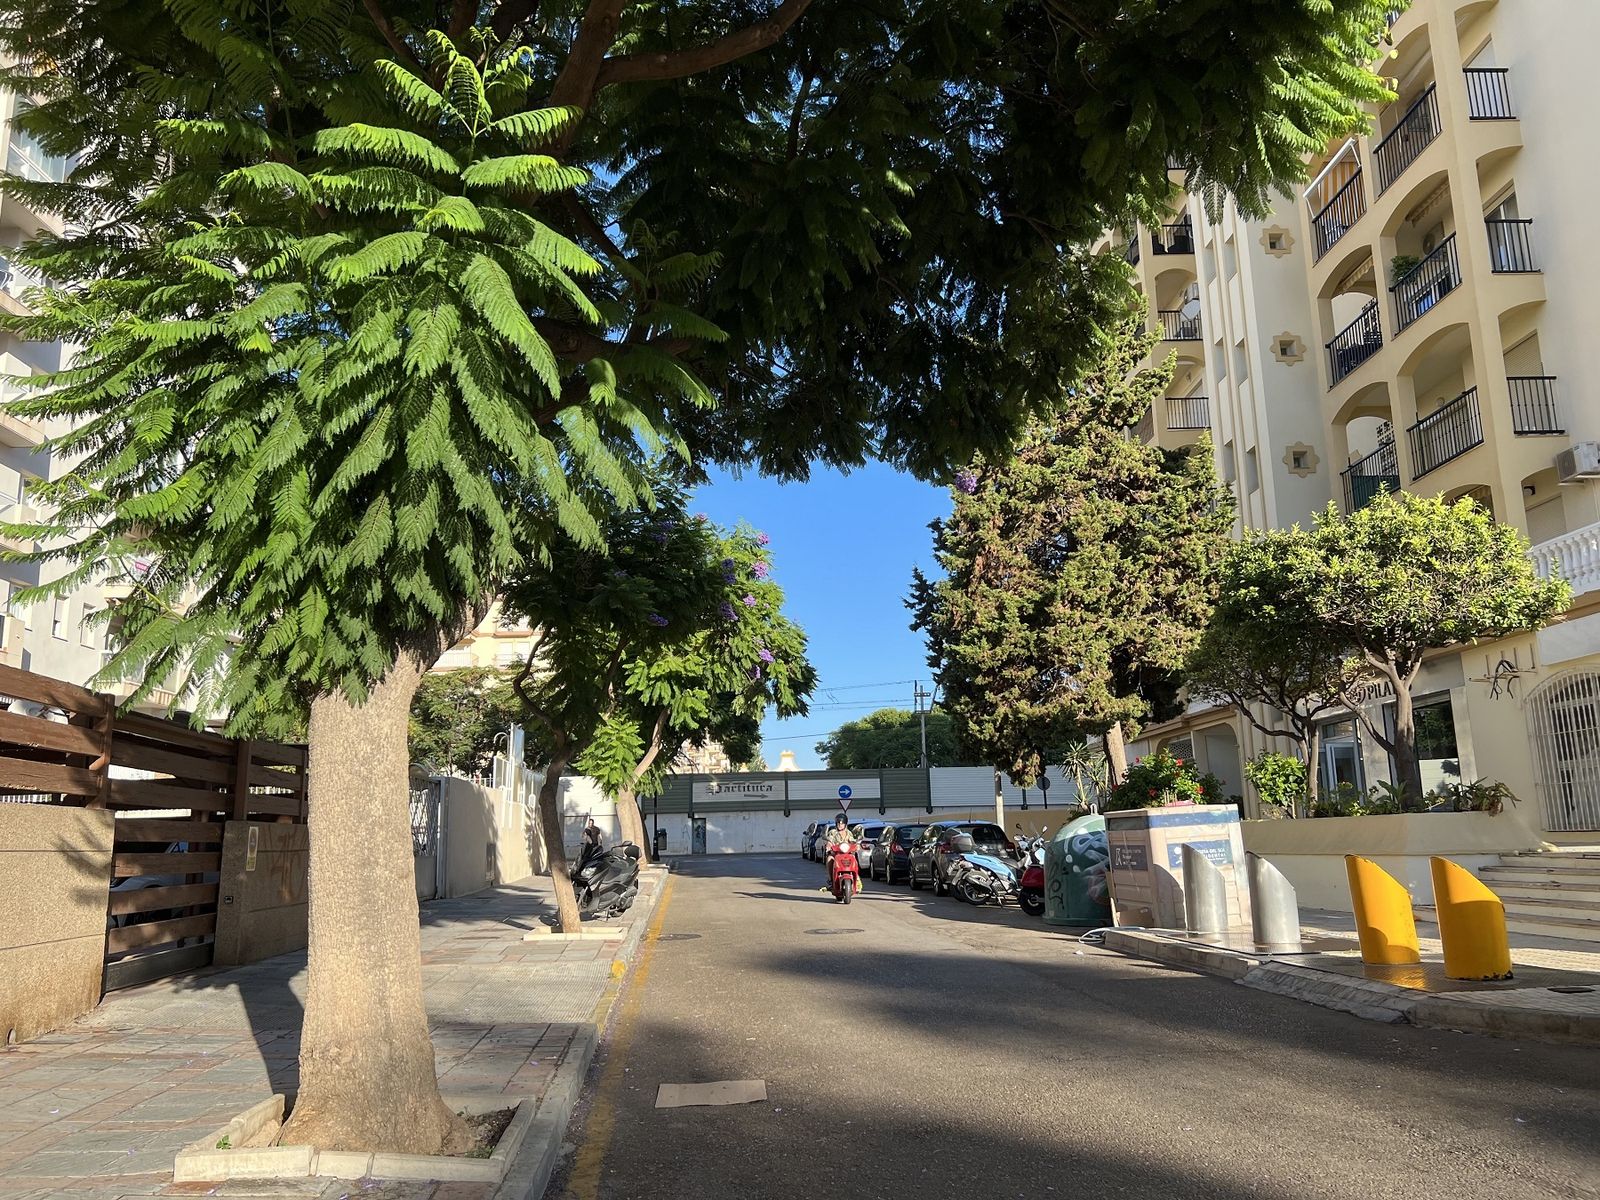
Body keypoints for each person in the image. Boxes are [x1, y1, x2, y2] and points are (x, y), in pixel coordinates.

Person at [824, 814, 864, 893]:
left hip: (847, 854)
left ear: (845, 824)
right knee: (829, 859)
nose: (840, 825)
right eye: (838, 823)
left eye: (842, 823)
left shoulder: (848, 833)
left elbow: (852, 841)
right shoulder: (833, 832)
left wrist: (857, 845)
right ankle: (831, 880)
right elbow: (830, 841)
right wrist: (829, 846)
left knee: (854, 859)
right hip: (836, 854)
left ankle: (856, 879)